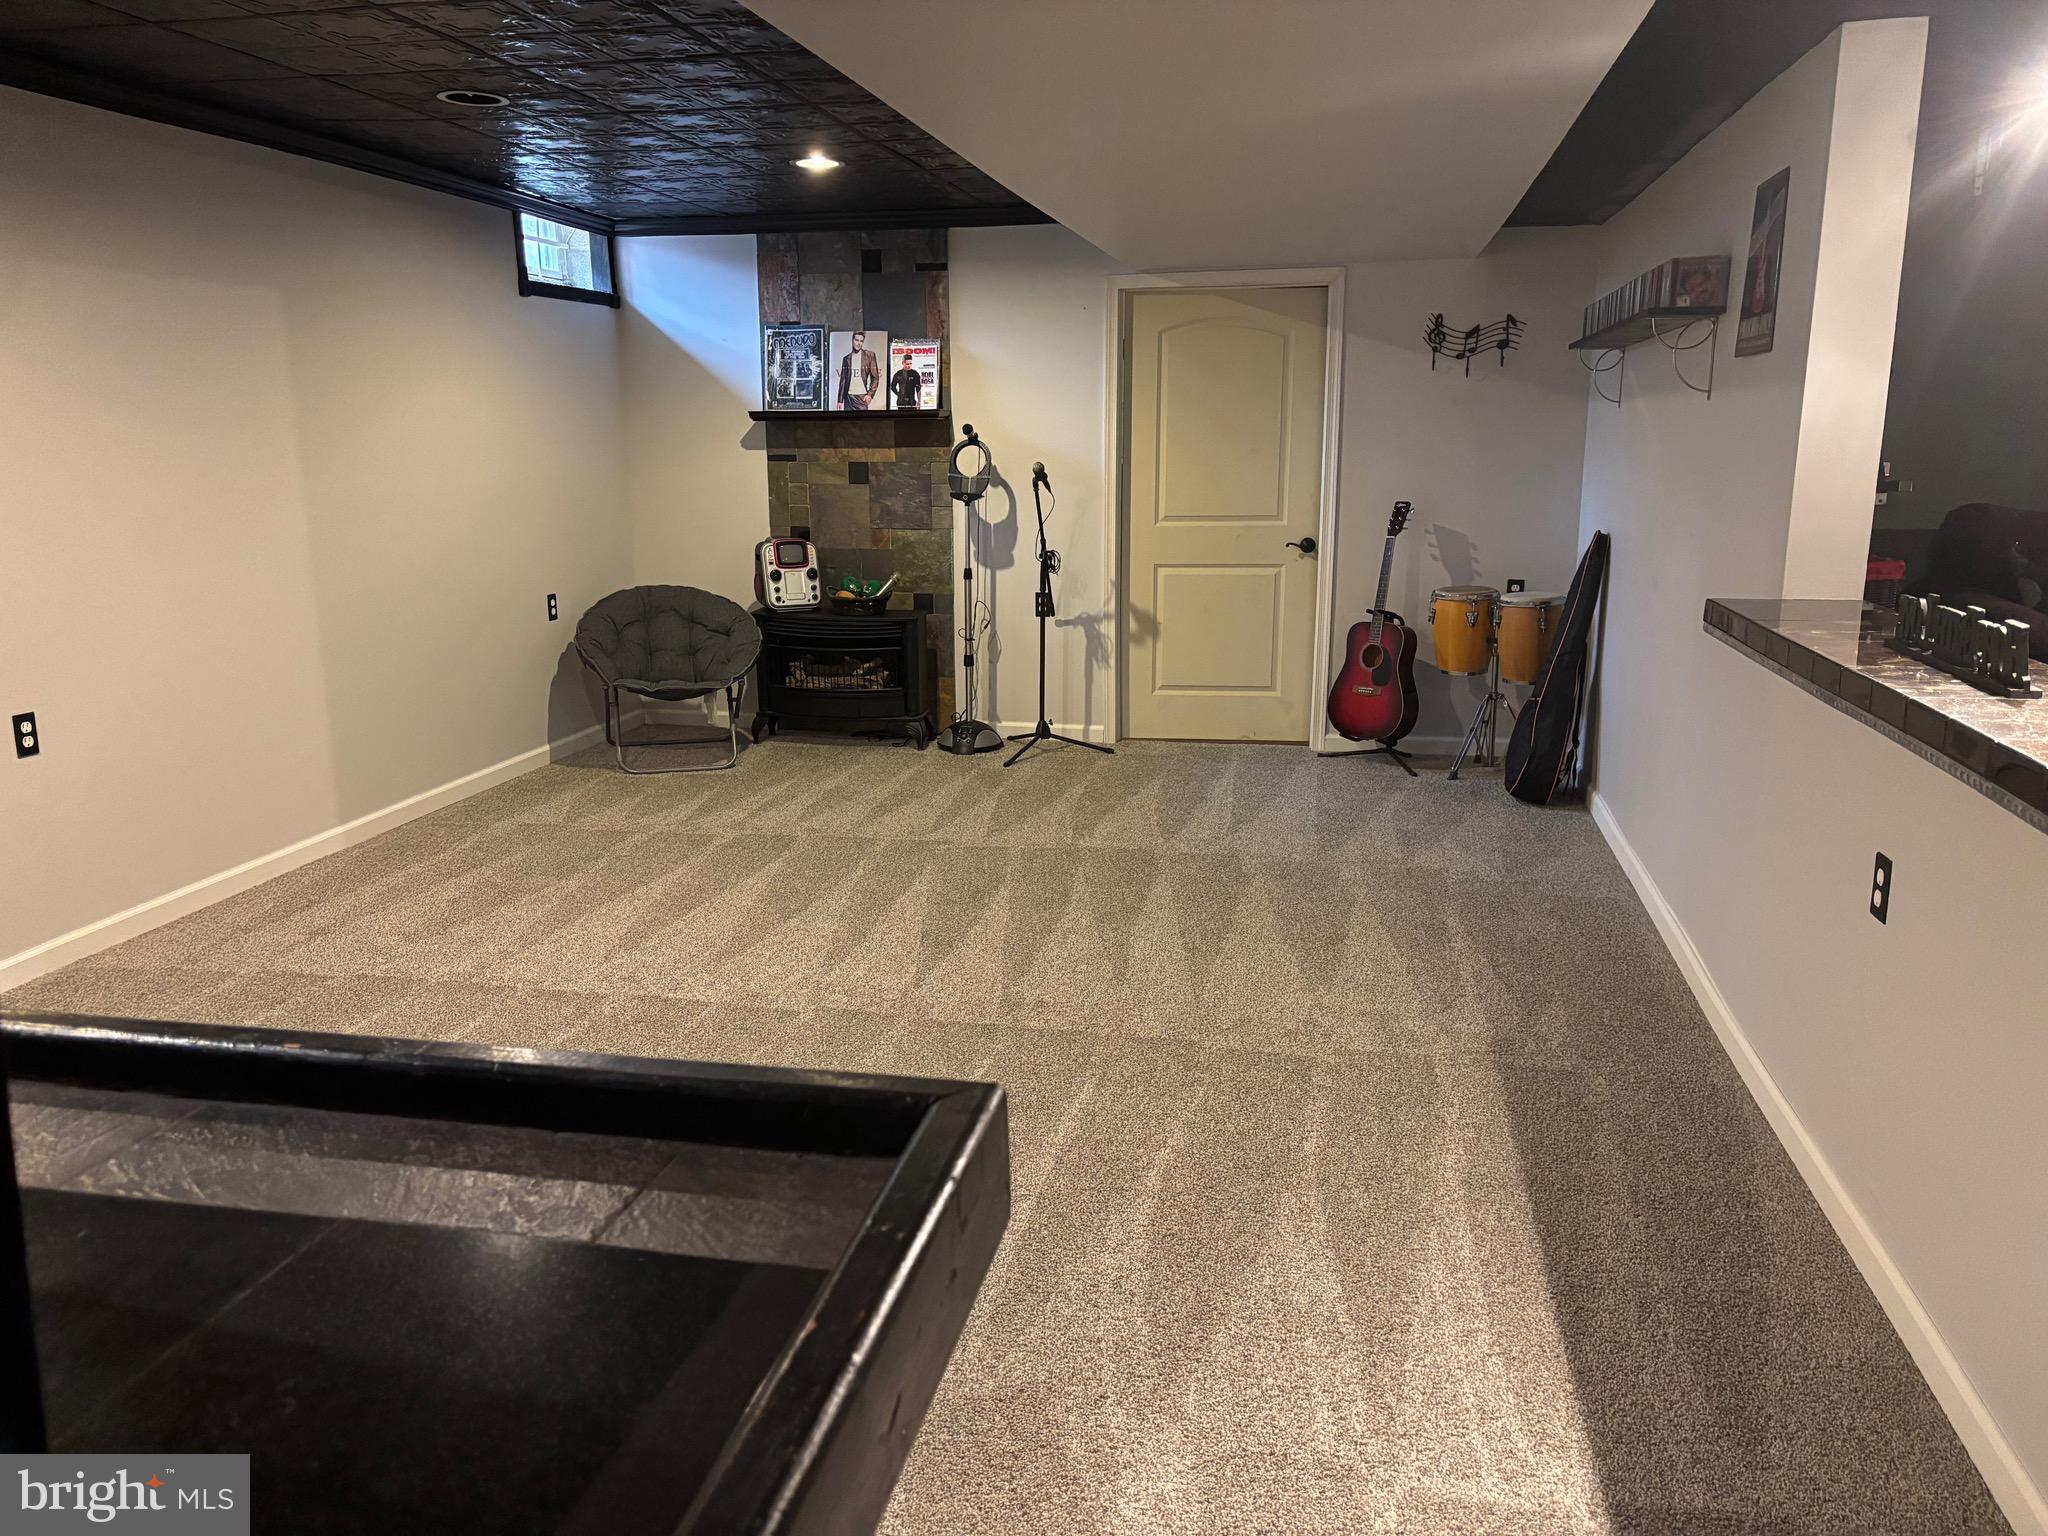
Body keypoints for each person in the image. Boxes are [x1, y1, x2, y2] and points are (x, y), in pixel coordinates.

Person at [837, 331, 880, 410]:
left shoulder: (869, 355)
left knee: (863, 421)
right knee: (847, 422)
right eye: (856, 340)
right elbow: (843, 380)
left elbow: (875, 377)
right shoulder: (846, 359)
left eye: (861, 341)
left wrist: (870, 394)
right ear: (852, 340)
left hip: (861, 397)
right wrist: (840, 400)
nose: (858, 343)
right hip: (848, 398)